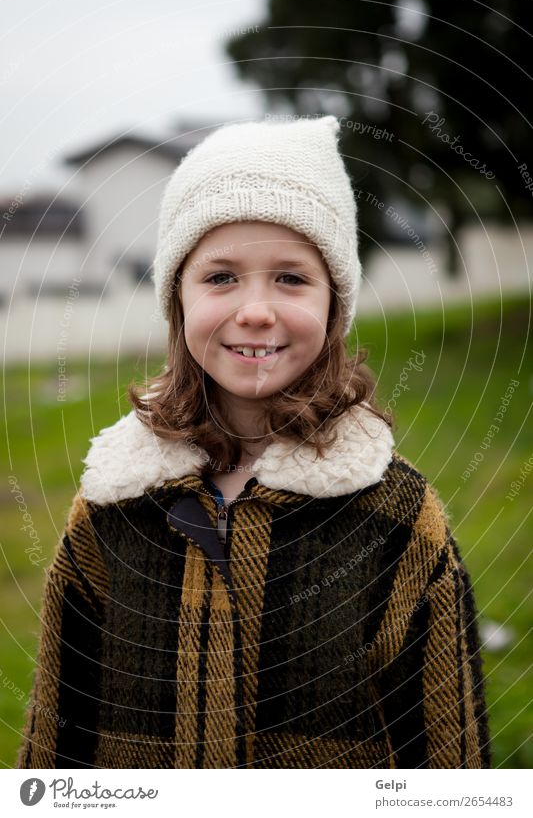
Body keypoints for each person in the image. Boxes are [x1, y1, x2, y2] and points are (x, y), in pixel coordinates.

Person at [17, 115, 491, 769]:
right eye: (220, 277)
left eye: (291, 277)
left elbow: (449, 754)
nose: (256, 310)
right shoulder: (110, 510)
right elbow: (56, 741)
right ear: (177, 299)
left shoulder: (398, 519)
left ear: (333, 304)